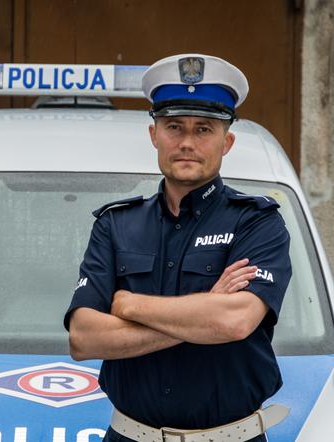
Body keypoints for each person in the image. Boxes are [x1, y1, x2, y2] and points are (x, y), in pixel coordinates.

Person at [64, 54, 292, 442]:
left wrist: (130, 306)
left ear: (227, 141)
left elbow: (233, 321)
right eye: (174, 127)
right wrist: (204, 313)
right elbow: (84, 339)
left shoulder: (257, 222)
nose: (187, 142)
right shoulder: (116, 225)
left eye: (204, 129)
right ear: (154, 135)